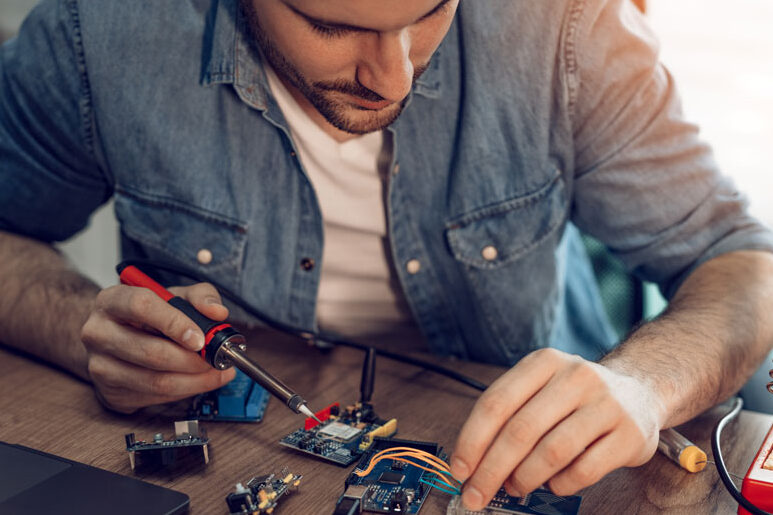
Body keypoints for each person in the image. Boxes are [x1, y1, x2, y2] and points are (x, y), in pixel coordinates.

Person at [1, 0, 772, 510]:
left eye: (429, 10)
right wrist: (79, 326)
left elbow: (742, 259)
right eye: (333, 25)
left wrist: (644, 383)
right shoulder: (96, 33)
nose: (395, 75)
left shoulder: (563, 23)